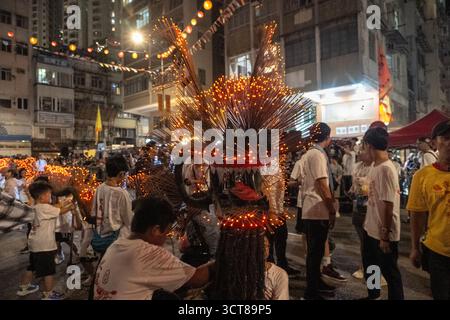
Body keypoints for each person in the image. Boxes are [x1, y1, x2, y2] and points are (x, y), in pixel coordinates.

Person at [94, 197, 214, 300]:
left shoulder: (116, 245)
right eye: (166, 232)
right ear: (156, 230)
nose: (165, 238)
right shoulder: (148, 253)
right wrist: (220, 260)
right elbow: (198, 279)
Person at [408, 120, 450, 300]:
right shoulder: (422, 176)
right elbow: (417, 215)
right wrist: (415, 248)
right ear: (434, 143)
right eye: (446, 138)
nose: (449, 143)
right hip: (437, 252)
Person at [361, 127, 404, 300]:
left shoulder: (386, 168)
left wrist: (385, 236)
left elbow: (388, 204)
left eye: (364, 146)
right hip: (371, 228)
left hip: (383, 232)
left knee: (390, 272)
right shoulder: (375, 166)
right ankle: (374, 295)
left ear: (369, 145)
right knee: (371, 266)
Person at [17, 181, 74, 300]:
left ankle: (24, 287)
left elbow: (57, 207)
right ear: (42, 197)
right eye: (49, 194)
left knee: (32, 266)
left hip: (34, 243)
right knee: (48, 271)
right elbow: (60, 211)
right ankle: (48, 294)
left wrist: (66, 203)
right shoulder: (45, 207)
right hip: (45, 245)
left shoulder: (34, 206)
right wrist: (71, 206)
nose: (51, 196)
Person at [301, 123, 338, 300]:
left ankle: (316, 283)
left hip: (315, 209)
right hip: (316, 210)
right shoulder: (316, 154)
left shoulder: (313, 153)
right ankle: (312, 291)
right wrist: (332, 210)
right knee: (315, 253)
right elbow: (322, 185)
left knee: (315, 252)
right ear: (327, 137)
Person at [90, 154, 134, 253]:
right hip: (115, 239)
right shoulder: (122, 193)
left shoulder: (99, 188)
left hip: (99, 235)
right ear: (121, 174)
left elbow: (94, 212)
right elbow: (128, 220)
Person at [349, 150, 372, 279]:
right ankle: (364, 268)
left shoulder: (379, 168)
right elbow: (355, 187)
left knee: (372, 244)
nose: (359, 152)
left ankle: (375, 280)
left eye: (364, 148)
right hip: (359, 207)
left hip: (370, 209)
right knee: (364, 241)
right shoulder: (358, 166)